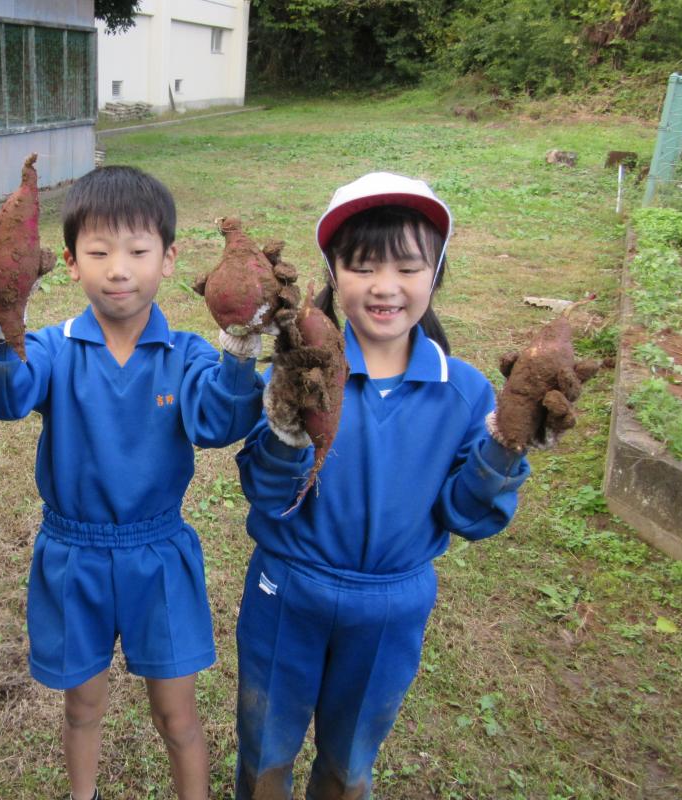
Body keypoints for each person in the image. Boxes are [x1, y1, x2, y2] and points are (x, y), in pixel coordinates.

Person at [233, 172, 554, 799]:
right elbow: (267, 492)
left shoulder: (463, 392)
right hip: (288, 589)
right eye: (363, 267)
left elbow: (467, 514)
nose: (385, 286)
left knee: (350, 764)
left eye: (408, 268)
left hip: (392, 606)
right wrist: (290, 429)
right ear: (333, 273)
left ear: (436, 274)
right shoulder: (302, 369)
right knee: (265, 751)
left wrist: (504, 446)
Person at [0, 165, 266, 800]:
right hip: (74, 555)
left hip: (159, 554)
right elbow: (3, 399)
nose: (119, 270)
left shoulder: (187, 354)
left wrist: (240, 350)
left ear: (168, 258)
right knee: (82, 707)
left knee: (177, 716)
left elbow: (219, 422)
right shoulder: (50, 348)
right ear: (70, 263)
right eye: (99, 253)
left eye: (138, 251)